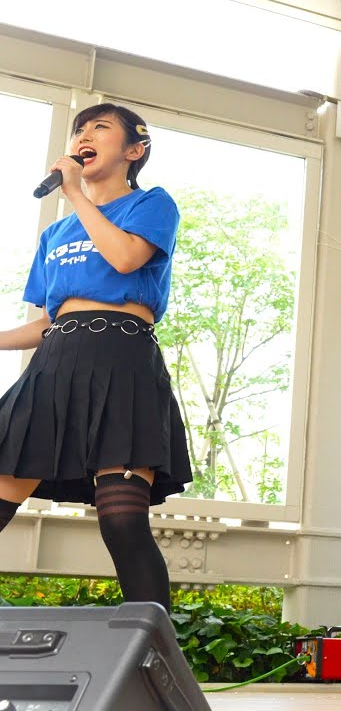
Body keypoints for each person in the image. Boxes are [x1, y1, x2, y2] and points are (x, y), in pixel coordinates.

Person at [0, 103, 192, 612]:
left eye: (99, 128)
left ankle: (155, 661)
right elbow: (46, 323)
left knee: (123, 519)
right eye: (79, 129)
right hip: (55, 367)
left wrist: (76, 196)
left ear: (134, 150)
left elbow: (127, 258)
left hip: (123, 362)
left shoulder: (152, 204)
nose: (84, 135)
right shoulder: (54, 236)